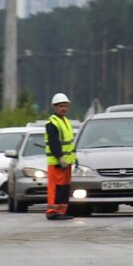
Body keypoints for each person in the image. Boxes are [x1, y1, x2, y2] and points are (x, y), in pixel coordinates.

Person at [44, 92, 76, 221]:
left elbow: (69, 143)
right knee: (56, 187)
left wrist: (73, 159)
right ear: (55, 107)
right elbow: (54, 142)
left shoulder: (66, 121)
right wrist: (59, 157)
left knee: (64, 188)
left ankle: (62, 211)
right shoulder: (52, 123)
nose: (64, 108)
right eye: (61, 106)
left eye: (65, 106)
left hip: (66, 162)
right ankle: (52, 211)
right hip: (57, 161)